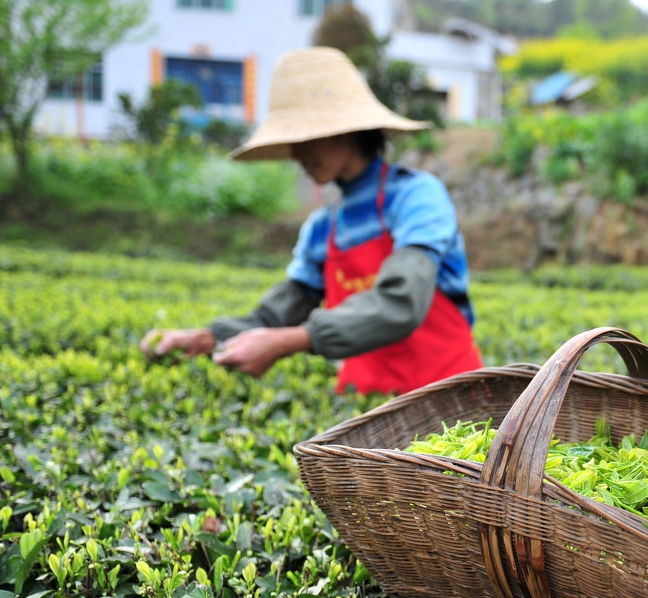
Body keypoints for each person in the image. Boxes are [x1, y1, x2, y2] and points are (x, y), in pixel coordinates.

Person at [141, 47, 482, 396]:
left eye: (306, 138)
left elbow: (402, 302)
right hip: (366, 405)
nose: (298, 155)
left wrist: (292, 341)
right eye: (291, 142)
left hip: (449, 397)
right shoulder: (323, 228)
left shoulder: (416, 197)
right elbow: (277, 317)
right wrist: (209, 337)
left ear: (346, 131)